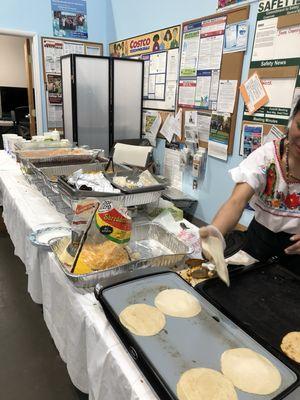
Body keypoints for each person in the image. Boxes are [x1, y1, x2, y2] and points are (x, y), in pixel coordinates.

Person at [200, 98, 300, 270]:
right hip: (259, 242)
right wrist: (215, 234)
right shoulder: (267, 158)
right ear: (292, 121)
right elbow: (236, 202)